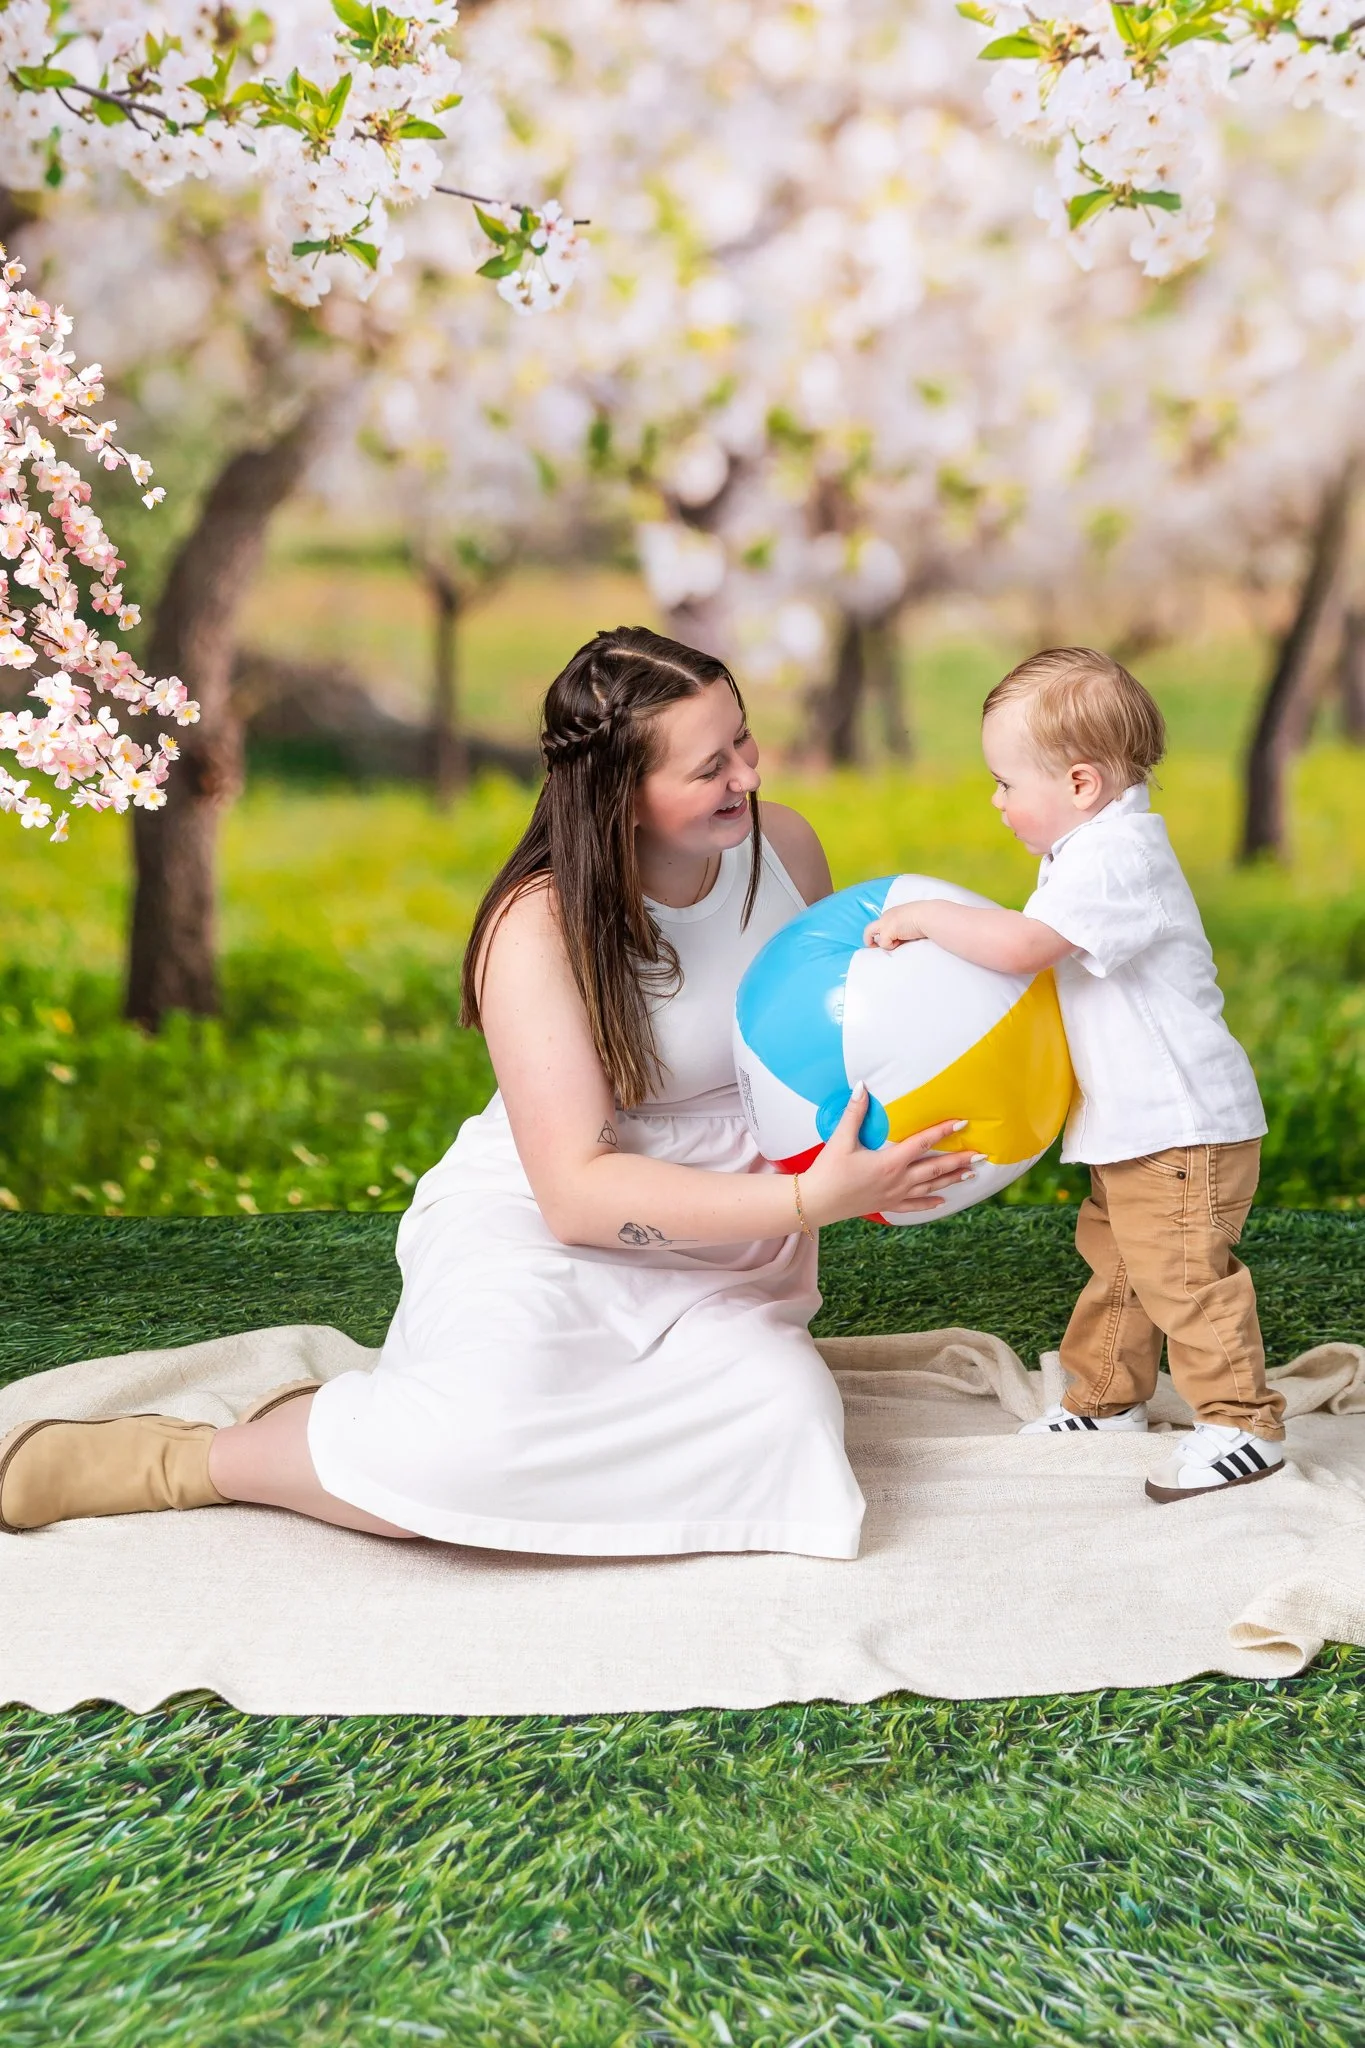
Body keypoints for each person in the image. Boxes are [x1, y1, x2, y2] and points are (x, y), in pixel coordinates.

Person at [2, 626, 976, 1551]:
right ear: (624, 791)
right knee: (460, 1450)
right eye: (711, 765)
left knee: (786, 1421)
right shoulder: (537, 924)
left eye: (744, 740)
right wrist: (808, 1197)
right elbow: (578, 1194)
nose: (750, 776)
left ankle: (416, 1419)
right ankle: (194, 1458)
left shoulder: (787, 850)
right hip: (553, 1224)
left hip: (733, 1247)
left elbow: (829, 1026)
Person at [863, 646, 1286, 1503]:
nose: (996, 801)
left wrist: (927, 918)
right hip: (1137, 1123)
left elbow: (1023, 948)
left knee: (1181, 1277)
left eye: (1006, 784)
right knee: (1119, 1262)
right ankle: (1104, 1399)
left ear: (1082, 784)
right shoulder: (1086, 850)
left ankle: (1244, 1423)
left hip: (1180, 1121)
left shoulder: (1116, 857)